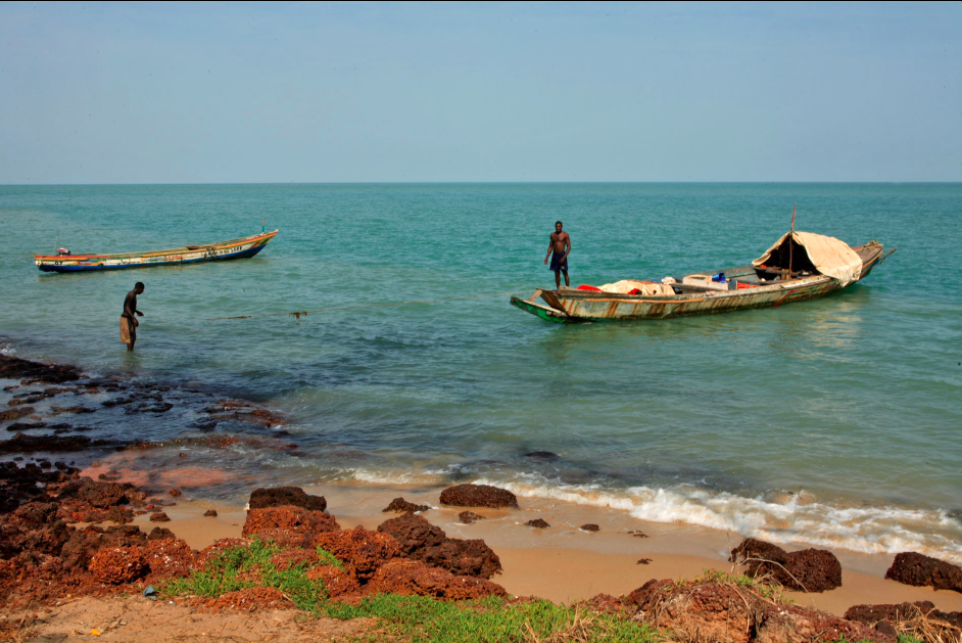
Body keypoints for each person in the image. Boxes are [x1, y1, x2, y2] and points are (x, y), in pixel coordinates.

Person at [544, 221, 571, 289]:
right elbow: (550, 246)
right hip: (555, 256)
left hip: (562, 255)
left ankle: (567, 289)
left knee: (565, 273)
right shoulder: (552, 235)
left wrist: (564, 257)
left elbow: (569, 246)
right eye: (556, 226)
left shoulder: (565, 234)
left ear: (561, 227)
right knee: (556, 274)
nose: (558, 228)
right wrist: (547, 257)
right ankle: (558, 289)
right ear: (555, 227)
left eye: (559, 226)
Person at [121, 282, 145, 352]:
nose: (142, 291)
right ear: (138, 288)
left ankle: (130, 356)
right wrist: (134, 318)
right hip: (126, 318)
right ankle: (129, 356)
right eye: (142, 289)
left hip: (128, 318)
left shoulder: (133, 294)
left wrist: (137, 312)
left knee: (133, 338)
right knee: (130, 338)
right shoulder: (131, 295)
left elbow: (129, 307)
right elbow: (126, 307)